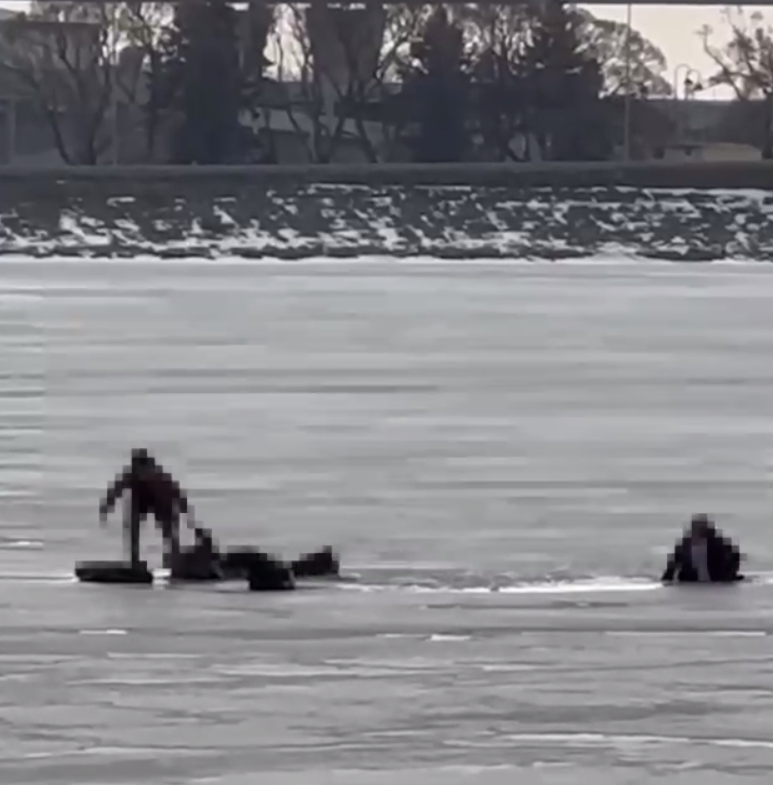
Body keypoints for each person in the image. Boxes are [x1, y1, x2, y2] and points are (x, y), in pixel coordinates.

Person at [99, 448, 195, 569]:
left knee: (169, 531)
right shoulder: (129, 476)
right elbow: (114, 492)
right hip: (140, 502)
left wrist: (187, 514)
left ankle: (174, 558)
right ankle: (135, 560)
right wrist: (106, 507)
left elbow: (178, 496)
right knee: (132, 526)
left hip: (161, 502)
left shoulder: (162, 478)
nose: (142, 474)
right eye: (138, 470)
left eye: (145, 470)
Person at [661, 513, 743, 583]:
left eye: (700, 528)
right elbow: (673, 565)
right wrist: (667, 579)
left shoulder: (719, 544)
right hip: (691, 582)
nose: (696, 531)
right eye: (695, 528)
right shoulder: (684, 545)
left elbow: (734, 558)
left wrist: (728, 576)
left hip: (716, 581)